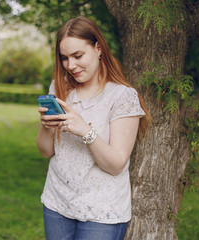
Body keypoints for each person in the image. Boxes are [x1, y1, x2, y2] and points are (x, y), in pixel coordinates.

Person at [36, 16, 151, 240]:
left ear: (98, 48)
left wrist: (85, 131)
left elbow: (116, 164)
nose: (71, 65)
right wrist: (46, 126)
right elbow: (45, 151)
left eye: (78, 56)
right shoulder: (60, 88)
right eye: (64, 58)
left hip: (102, 213)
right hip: (57, 203)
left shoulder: (122, 96)